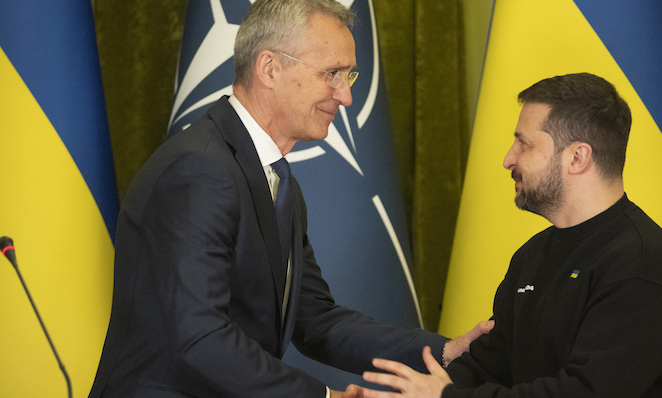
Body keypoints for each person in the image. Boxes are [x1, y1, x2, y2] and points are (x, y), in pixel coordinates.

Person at [88, 1, 490, 397]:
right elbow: (201, 336)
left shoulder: (279, 182)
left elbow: (315, 320)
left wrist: (442, 352)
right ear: (269, 68)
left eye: (348, 77)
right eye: (331, 73)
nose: (345, 97)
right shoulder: (200, 170)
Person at [347, 73, 662, 397]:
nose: (508, 159)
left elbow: (584, 392)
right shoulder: (532, 255)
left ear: (577, 157)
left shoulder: (643, 266)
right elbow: (490, 364)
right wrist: (405, 394)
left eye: (524, 143)